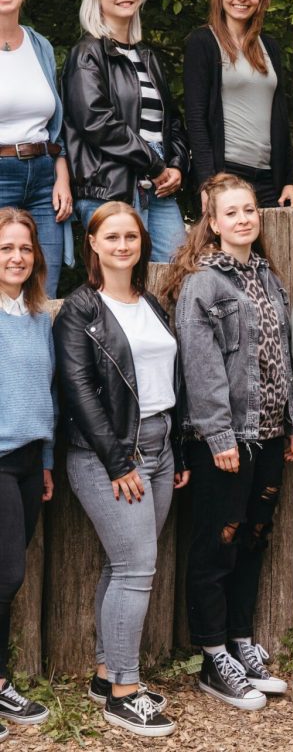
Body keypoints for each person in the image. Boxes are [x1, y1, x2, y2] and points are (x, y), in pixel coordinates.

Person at [167, 173, 293, 710]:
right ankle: (212, 655)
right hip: (225, 439)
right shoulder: (204, 284)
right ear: (214, 222)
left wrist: (292, 420)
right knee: (215, 544)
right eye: (233, 212)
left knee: (252, 539)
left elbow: (281, 356)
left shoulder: (269, 277)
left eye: (250, 210)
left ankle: (241, 641)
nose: (245, 218)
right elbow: (200, 370)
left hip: (269, 434)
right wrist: (218, 434)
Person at [53, 202, 185, 738]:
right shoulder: (80, 311)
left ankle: (108, 674)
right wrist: (117, 461)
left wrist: (174, 449)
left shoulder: (149, 302)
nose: (124, 245)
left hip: (160, 447)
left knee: (123, 563)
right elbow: (79, 391)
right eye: (113, 236)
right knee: (137, 570)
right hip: (108, 453)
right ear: (93, 243)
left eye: (131, 235)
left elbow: (163, 381)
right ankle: (125, 696)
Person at [62, 0, 189, 263]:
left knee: (179, 274)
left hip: (158, 188)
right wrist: (155, 165)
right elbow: (97, 122)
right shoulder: (87, 54)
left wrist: (176, 166)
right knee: (123, 284)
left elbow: (170, 121)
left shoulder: (147, 56)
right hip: (113, 187)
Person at [184, 0, 293, 209]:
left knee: (279, 249)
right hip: (226, 177)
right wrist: (207, 182)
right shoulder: (203, 42)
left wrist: (290, 180)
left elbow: (281, 118)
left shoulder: (269, 47)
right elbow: (195, 118)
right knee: (228, 249)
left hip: (271, 179)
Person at [0, 209, 55, 739]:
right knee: (5, 576)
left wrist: (44, 463)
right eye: (5, 248)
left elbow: (45, 397)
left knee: (8, 578)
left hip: (28, 460)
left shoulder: (39, 316)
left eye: (25, 248)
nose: (17, 257)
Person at [0, 0, 73, 296]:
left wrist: (62, 177)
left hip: (45, 181)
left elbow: (56, 125)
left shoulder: (40, 45)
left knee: (46, 286)